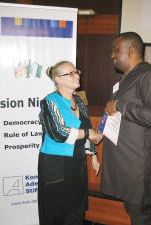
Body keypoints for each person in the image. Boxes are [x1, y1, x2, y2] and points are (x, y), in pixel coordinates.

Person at [100, 32, 151, 225]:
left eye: (115, 50)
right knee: (133, 210)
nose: (112, 55)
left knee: (141, 215)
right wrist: (103, 129)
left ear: (130, 50)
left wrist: (121, 106)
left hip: (141, 166)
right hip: (128, 163)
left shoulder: (149, 76)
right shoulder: (127, 77)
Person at [38, 60, 103, 225]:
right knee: (56, 212)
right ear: (58, 80)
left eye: (77, 72)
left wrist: (93, 155)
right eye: (71, 73)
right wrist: (88, 133)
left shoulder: (79, 101)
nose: (77, 75)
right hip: (55, 165)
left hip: (76, 163)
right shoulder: (49, 101)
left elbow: (86, 128)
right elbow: (59, 132)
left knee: (75, 210)